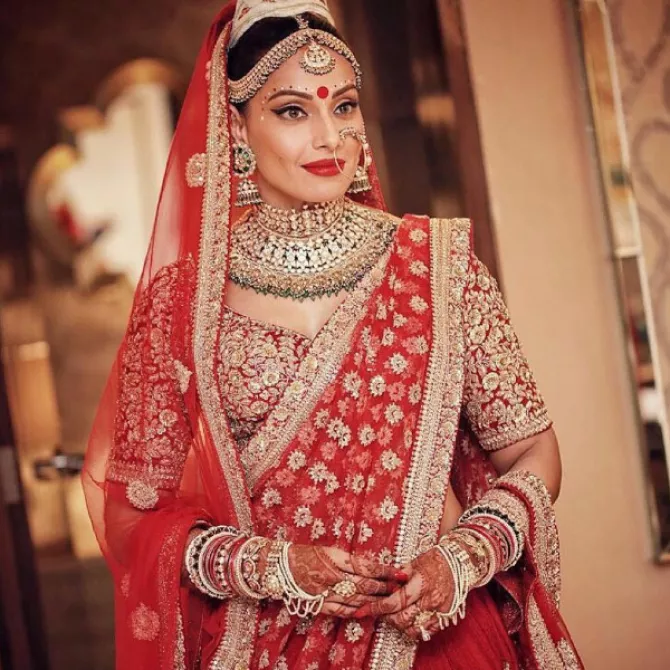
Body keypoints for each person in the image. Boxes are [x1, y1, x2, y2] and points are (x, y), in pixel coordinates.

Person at [84, 2, 584, 668]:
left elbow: (534, 453)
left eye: (343, 106)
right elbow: (132, 517)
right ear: (235, 126)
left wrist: (461, 558)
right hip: (272, 642)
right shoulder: (181, 305)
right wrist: (274, 567)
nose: (330, 136)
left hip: (440, 638)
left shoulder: (438, 269)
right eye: (293, 111)